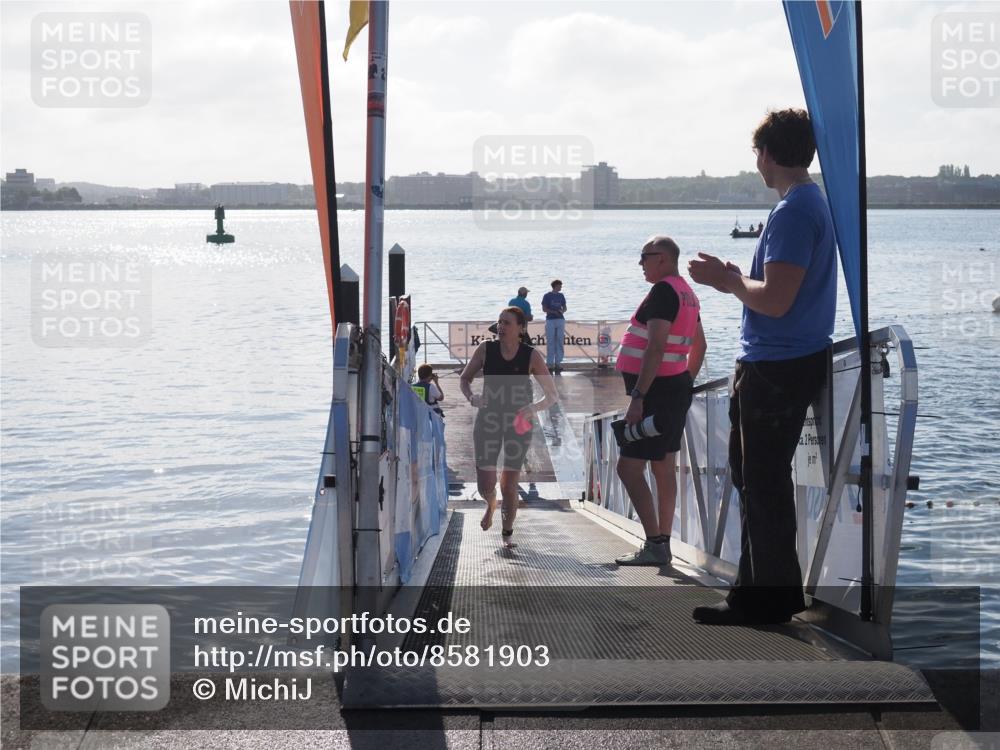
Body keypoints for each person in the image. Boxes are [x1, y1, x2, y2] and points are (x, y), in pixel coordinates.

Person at [687, 107, 836, 625]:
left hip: (777, 365)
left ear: (768, 153)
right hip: (788, 359)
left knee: (763, 483)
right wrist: (733, 275)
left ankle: (765, 600)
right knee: (756, 480)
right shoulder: (810, 204)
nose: (757, 162)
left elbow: (775, 301)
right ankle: (759, 594)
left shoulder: (795, 210)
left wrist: (725, 282)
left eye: (757, 152)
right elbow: (779, 293)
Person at [611, 237, 706, 566]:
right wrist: (685, 382)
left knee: (628, 467)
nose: (640, 263)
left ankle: (654, 544)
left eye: (645, 257)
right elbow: (700, 346)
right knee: (663, 466)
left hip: (655, 392)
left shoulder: (664, 291)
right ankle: (662, 542)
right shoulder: (687, 293)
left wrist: (639, 396)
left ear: (663, 259)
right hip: (674, 387)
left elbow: (655, 347)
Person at [459, 306, 559, 548]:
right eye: (499, 322)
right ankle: (491, 503)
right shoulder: (486, 349)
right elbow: (465, 379)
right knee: (485, 484)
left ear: (520, 328)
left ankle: (507, 534)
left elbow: (552, 395)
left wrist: (532, 408)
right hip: (488, 419)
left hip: (518, 422)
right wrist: (472, 397)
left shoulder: (532, 355)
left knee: (509, 483)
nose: (501, 327)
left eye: (507, 323)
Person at [541, 279, 567, 372]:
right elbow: (544, 309)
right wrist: (553, 312)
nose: (561, 287)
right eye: (560, 285)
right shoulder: (547, 296)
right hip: (550, 320)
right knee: (550, 341)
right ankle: (550, 364)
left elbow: (565, 307)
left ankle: (558, 363)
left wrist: (562, 311)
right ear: (555, 286)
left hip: (560, 319)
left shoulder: (561, 295)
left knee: (560, 340)